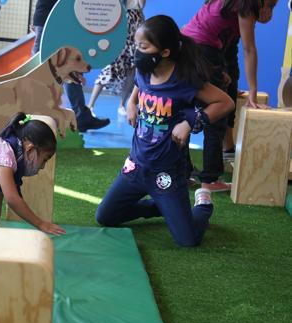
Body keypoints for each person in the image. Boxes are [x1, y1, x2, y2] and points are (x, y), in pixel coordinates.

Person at [95, 15, 235, 247]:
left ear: (165, 52)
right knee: (105, 216)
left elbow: (226, 103)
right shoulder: (143, 71)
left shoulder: (185, 80)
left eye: (143, 46)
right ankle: (160, 207)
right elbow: (138, 89)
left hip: (167, 173)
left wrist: (190, 122)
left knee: (187, 240)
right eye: (136, 45)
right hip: (136, 167)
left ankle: (202, 205)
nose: (136, 51)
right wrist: (131, 104)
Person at [182, 0, 277, 192]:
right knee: (217, 116)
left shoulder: (236, 6)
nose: (269, 10)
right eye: (268, 4)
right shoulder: (247, 6)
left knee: (187, 110)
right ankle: (209, 179)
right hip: (200, 49)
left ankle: (183, 173)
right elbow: (249, 50)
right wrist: (253, 91)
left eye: (273, 6)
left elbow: (230, 49)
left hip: (191, 46)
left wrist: (224, 76)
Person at [31, 0, 110, 132]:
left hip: (54, 18)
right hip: (53, 19)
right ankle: (35, 115)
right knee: (43, 69)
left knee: (68, 67)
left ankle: (80, 115)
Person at [87, 0, 146, 118]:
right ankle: (90, 106)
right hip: (120, 30)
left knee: (131, 72)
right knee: (108, 69)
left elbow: (141, 5)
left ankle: (122, 105)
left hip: (135, 30)